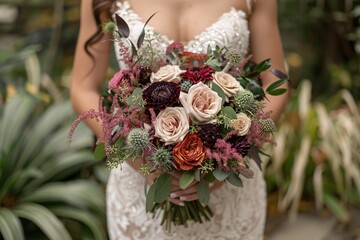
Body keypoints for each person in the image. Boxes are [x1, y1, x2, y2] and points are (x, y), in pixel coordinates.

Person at [70, 0, 289, 239]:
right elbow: (83, 88)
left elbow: (274, 83)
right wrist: (139, 156)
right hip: (140, 191)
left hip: (229, 192)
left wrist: (228, 160)